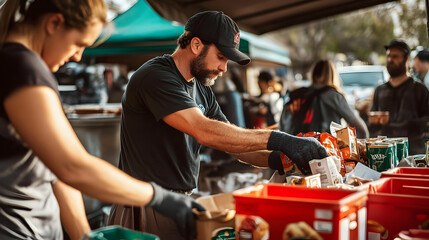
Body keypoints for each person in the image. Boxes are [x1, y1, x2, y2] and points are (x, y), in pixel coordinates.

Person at [108, 11, 328, 239]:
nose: (224, 68)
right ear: (195, 45)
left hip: (177, 200)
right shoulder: (156, 77)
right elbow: (203, 130)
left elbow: (232, 144)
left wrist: (280, 159)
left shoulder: (202, 89)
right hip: (146, 203)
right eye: (221, 57)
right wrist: (281, 139)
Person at [0, 1, 205, 240]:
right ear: (53, 23)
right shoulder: (21, 67)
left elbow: (56, 171)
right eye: (79, 44)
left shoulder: (22, 66)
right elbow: (72, 167)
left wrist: (84, 235)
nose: (77, 57)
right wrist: (159, 197)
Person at [280, 59, 369, 138]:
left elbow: (283, 126)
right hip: (326, 151)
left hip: (297, 150)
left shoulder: (298, 95)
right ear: (332, 75)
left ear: (313, 74)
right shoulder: (334, 97)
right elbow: (361, 129)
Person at [371, 40, 429, 154]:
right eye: (388, 56)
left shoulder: (420, 89)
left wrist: (409, 124)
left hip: (414, 154)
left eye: (395, 56)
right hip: (384, 155)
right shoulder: (380, 90)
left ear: (406, 58)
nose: (390, 60)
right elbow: (372, 125)